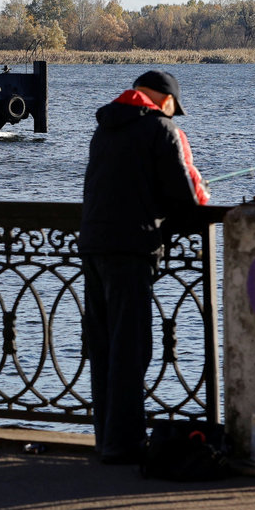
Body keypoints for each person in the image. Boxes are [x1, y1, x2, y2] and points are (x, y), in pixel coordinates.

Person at [79, 69, 210, 464]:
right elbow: (187, 197)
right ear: (163, 100)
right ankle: (125, 445)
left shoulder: (105, 126)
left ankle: (106, 439)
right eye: (173, 107)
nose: (174, 113)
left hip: (93, 246)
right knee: (131, 349)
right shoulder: (161, 129)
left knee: (103, 348)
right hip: (132, 249)